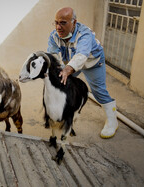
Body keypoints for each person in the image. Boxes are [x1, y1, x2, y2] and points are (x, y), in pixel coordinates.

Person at [47, 7, 118, 138]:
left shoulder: (85, 34)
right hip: (70, 62)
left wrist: (67, 70)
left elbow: (81, 55)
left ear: (74, 22)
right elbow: (52, 55)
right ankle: (65, 114)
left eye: (63, 23)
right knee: (61, 83)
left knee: (98, 91)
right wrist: (58, 69)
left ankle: (112, 120)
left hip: (92, 62)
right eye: (56, 22)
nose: (58, 27)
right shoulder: (54, 36)